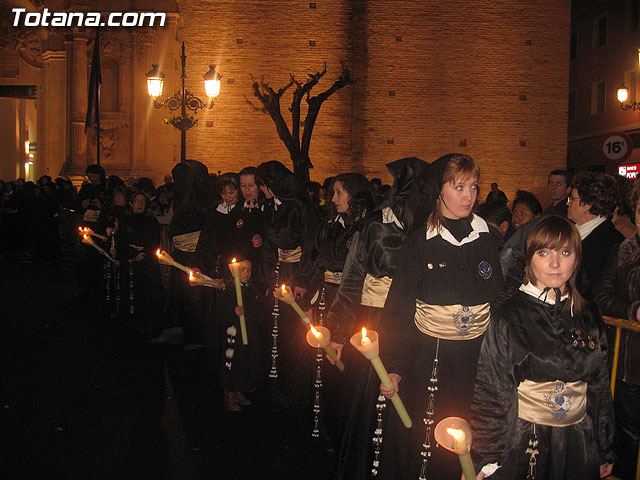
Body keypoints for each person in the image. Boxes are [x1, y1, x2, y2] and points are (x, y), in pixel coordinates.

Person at [378, 153, 503, 479]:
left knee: (473, 432)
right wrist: (394, 365)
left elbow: (501, 301)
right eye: (458, 186)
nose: (469, 196)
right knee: (430, 435)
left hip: (479, 360)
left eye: (473, 187)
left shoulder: (488, 238)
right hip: (430, 357)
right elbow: (399, 308)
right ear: (439, 190)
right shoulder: (419, 245)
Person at [471, 215, 614, 479]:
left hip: (578, 443)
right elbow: (491, 394)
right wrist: (487, 458)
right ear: (529, 258)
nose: (556, 263)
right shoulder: (509, 318)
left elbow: (599, 385)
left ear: (577, 258)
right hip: (525, 442)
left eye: (566, 252)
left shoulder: (588, 316)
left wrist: (604, 446)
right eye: (544, 252)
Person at [327, 157, 429, 480]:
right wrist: (338, 333)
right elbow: (352, 281)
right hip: (373, 322)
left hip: (413, 326)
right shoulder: (373, 226)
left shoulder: (429, 229)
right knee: (368, 400)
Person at [255, 160, 320, 410]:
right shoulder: (268, 207)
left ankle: (297, 389)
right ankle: (275, 384)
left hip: (297, 274)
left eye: (263, 185)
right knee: (276, 331)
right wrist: (268, 279)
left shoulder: (301, 208)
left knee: (296, 332)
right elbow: (269, 249)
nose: (261, 190)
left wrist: (303, 281)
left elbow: (310, 247)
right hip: (279, 273)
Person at [594, 180, 640, 479]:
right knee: (629, 438)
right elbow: (601, 293)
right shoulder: (624, 251)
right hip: (628, 365)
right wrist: (632, 311)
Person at [215, 257, 266, 412]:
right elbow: (221, 312)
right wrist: (233, 312)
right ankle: (229, 393)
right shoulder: (228, 289)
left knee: (247, 361)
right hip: (234, 334)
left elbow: (260, 308)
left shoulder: (251, 288)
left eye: (249, 269)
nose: (247, 273)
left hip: (250, 332)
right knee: (233, 362)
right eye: (243, 269)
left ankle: (240, 390)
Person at [567, 171, 623, 295]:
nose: (568, 203)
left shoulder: (609, 241)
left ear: (587, 204)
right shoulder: (573, 232)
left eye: (572, 198)